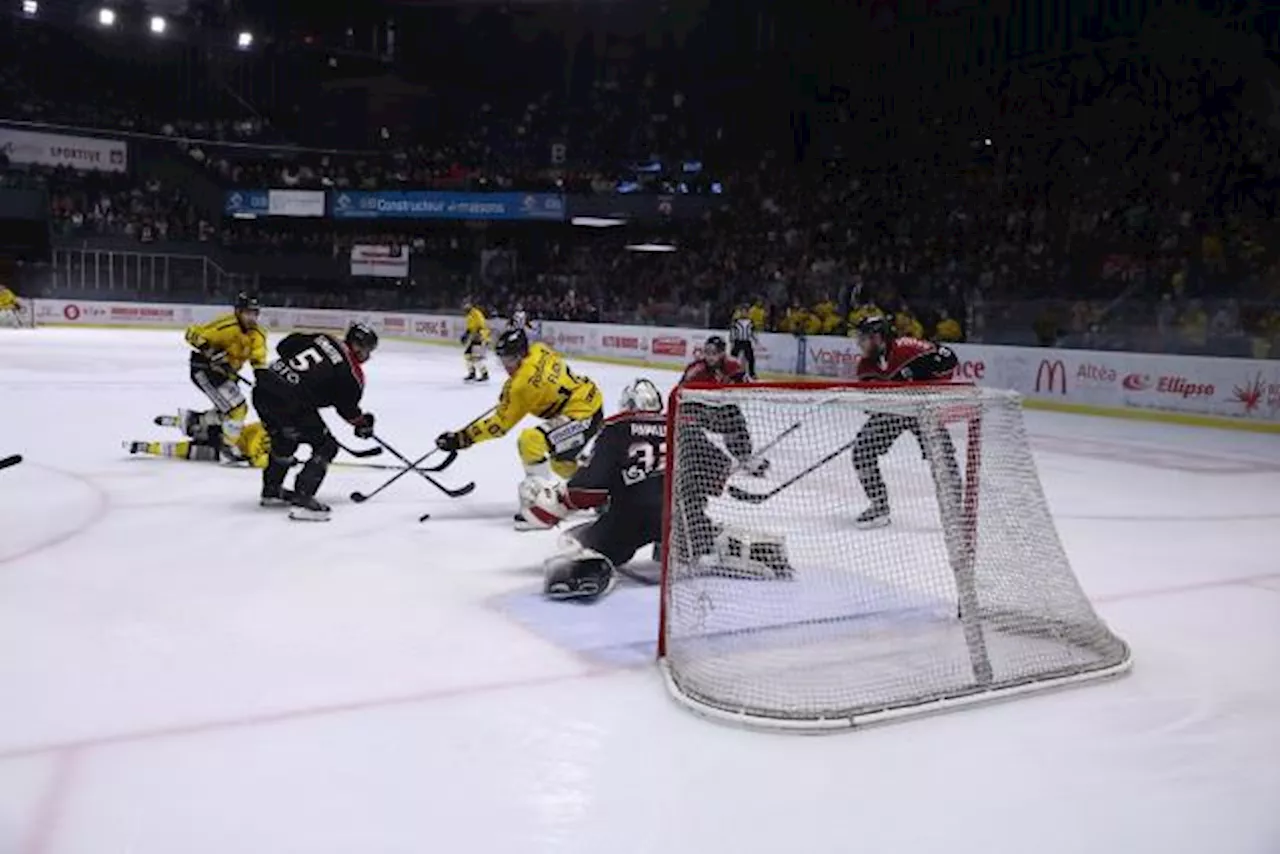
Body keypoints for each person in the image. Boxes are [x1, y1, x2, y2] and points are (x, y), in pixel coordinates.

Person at [521, 379, 792, 602]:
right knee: (703, 533)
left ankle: (585, 569)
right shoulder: (681, 427)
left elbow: (587, 491)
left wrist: (562, 500)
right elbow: (718, 474)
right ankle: (757, 549)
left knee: (577, 540)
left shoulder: (616, 428)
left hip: (631, 519)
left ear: (627, 405)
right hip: (682, 516)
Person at [435, 328, 603, 530]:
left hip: (583, 413)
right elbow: (537, 380)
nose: (506, 366)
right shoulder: (540, 350)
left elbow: (499, 426)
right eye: (503, 360)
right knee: (561, 463)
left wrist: (462, 438)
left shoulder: (521, 386)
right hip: (588, 402)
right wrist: (512, 395)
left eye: (510, 360)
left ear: (521, 354)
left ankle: (541, 506)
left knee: (531, 440)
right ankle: (601, 490)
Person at [252, 323, 379, 521]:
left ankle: (272, 491)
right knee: (326, 446)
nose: (368, 356)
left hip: (264, 389)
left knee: (285, 438)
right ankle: (303, 500)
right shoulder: (352, 373)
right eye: (368, 350)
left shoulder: (324, 337)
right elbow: (347, 408)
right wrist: (362, 423)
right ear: (357, 347)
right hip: (290, 401)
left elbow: (285, 345)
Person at [849, 315, 959, 528]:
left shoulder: (908, 347)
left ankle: (955, 511)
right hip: (893, 414)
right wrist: (881, 406)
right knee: (862, 452)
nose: (860, 343)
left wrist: (924, 382)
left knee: (943, 457)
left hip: (923, 411)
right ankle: (879, 506)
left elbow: (948, 359)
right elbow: (870, 404)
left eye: (864, 338)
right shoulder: (865, 366)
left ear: (879, 338)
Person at [178, 293, 268, 458]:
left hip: (227, 375)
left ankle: (197, 421)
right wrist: (210, 351)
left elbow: (259, 361)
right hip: (204, 370)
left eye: (255, 313)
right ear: (238, 311)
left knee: (230, 412)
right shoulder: (225, 326)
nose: (252, 317)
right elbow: (191, 334)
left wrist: (264, 381)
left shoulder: (258, 335)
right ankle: (227, 447)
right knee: (237, 408)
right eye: (248, 312)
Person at [679, 335, 768, 477]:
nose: (709, 357)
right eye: (707, 353)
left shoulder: (734, 367)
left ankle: (745, 457)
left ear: (722, 353)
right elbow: (680, 394)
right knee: (687, 428)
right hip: (698, 410)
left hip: (721, 411)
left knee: (735, 419)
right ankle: (692, 457)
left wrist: (738, 386)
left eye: (714, 353)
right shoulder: (695, 370)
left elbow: (747, 386)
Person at [125, 421, 271, 468]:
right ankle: (177, 421)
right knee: (201, 427)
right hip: (225, 436)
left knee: (184, 450)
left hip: (222, 451)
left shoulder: (277, 449)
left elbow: (258, 460)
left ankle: (146, 447)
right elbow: (254, 449)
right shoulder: (265, 427)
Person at [460, 298, 490, 383]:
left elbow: (481, 326)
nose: (464, 307)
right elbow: (470, 327)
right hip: (475, 337)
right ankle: (472, 373)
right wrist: (466, 334)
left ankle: (485, 374)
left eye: (466, 305)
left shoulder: (476, 313)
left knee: (477, 358)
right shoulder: (469, 315)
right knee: (468, 355)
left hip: (480, 337)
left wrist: (478, 335)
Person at [729, 305, 758, 379]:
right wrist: (732, 340)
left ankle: (752, 373)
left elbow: (752, 332)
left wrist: (755, 339)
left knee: (750, 358)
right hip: (738, 341)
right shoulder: (736, 321)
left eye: (745, 312)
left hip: (746, 341)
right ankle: (730, 372)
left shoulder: (750, 322)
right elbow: (733, 331)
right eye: (742, 311)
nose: (744, 313)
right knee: (733, 357)